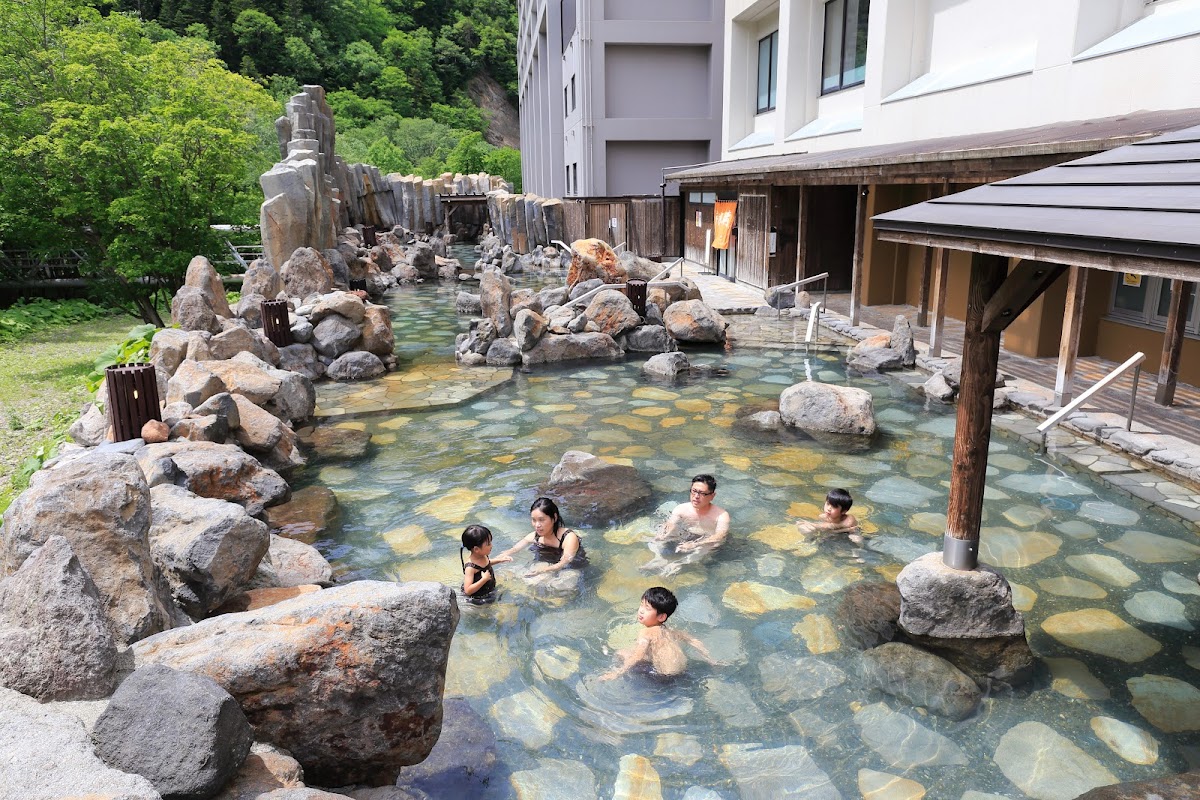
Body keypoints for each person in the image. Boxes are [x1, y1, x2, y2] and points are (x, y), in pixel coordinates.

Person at [600, 587, 716, 680]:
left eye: (647, 608)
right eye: (641, 604)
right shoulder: (670, 631)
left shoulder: (646, 632)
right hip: (683, 671)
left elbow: (638, 655)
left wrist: (617, 673)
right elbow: (691, 640)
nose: (641, 610)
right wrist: (710, 659)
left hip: (662, 678)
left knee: (621, 653)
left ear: (661, 616)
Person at [641, 474, 730, 576]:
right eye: (694, 491)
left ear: (712, 496)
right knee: (657, 537)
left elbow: (720, 536)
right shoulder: (681, 509)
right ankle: (658, 559)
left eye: (702, 493)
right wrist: (663, 534)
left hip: (704, 540)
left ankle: (678, 564)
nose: (696, 496)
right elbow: (670, 523)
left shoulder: (721, 515)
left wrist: (695, 544)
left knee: (711, 544)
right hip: (685, 535)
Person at [496, 497, 586, 575]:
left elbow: (565, 561)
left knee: (562, 586)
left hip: (572, 568)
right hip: (547, 564)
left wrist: (544, 570)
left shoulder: (568, 538)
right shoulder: (535, 536)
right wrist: (501, 557)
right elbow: (515, 549)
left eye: (541, 520)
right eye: (534, 520)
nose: (537, 525)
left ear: (554, 517)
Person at [460, 524, 511, 600]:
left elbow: (487, 563)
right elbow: (467, 591)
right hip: (477, 598)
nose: (491, 546)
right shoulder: (470, 567)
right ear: (476, 549)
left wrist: (500, 560)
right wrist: (483, 580)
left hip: (488, 590)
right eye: (488, 544)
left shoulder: (483, 555)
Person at [796, 488, 861, 544]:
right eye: (828, 504)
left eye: (834, 506)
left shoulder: (849, 519)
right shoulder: (823, 516)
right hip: (837, 532)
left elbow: (829, 526)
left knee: (856, 539)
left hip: (850, 533)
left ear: (844, 511)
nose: (829, 508)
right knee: (806, 529)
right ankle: (808, 542)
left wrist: (810, 524)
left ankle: (857, 554)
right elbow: (828, 530)